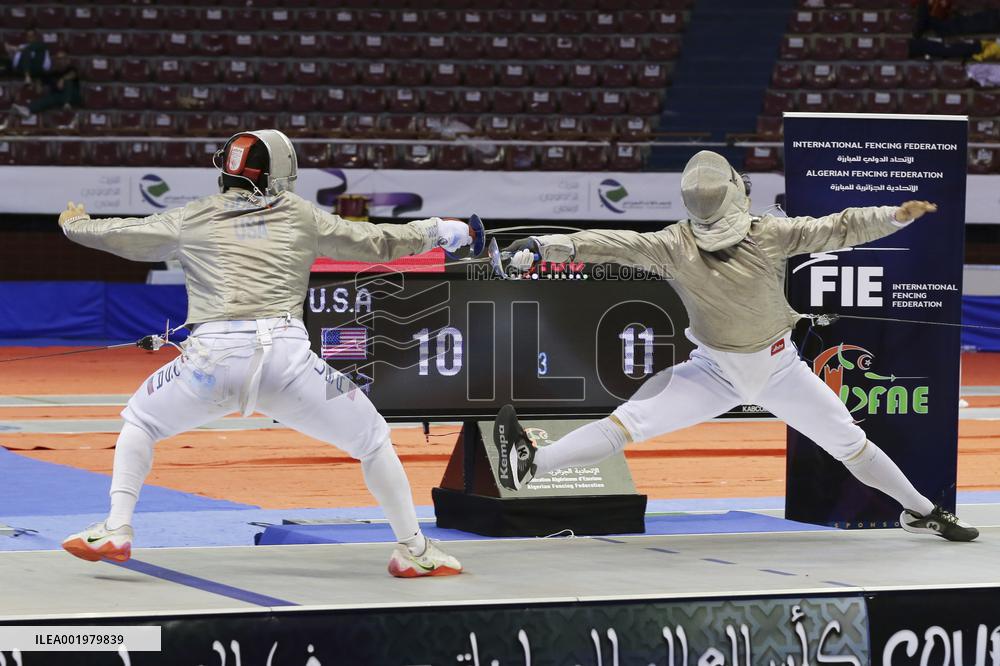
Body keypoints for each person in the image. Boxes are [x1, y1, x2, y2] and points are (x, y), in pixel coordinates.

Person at [494, 150, 979, 542]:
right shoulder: (690, 241)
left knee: (852, 445)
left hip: (780, 370)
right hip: (712, 372)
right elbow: (604, 242)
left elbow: (840, 227)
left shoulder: (743, 236)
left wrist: (891, 216)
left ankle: (920, 512)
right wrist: (542, 246)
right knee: (621, 426)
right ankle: (531, 464)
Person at [58, 129, 471, 577]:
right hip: (288, 365)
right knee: (372, 439)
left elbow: (124, 234)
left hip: (210, 363)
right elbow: (378, 243)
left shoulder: (194, 216)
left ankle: (118, 527)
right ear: (280, 174)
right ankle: (414, 550)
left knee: (140, 421)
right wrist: (440, 230)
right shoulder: (300, 215)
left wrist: (75, 225)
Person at [12, 50, 80, 117]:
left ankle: (66, 103)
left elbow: (73, 74)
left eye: (62, 58)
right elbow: (41, 79)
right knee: (51, 98)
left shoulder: (72, 69)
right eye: (58, 59)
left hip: (73, 97)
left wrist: (63, 79)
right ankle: (28, 110)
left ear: (67, 60)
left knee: (68, 82)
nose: (60, 61)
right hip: (58, 97)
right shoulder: (53, 73)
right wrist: (39, 84)